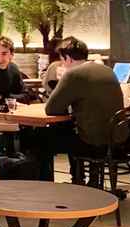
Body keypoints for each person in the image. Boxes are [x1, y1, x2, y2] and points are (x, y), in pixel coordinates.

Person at [42, 37, 125, 178]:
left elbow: (51, 109)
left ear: (67, 58)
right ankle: (83, 179)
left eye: (62, 60)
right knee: (71, 131)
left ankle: (51, 185)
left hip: (92, 143)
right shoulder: (107, 70)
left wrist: (63, 79)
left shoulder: (74, 74)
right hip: (117, 140)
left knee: (40, 139)